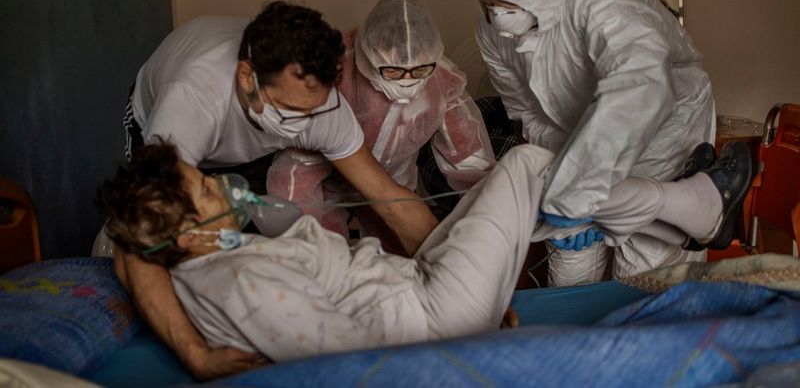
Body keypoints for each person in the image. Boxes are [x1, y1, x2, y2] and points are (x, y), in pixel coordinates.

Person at [98, 138, 751, 369]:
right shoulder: (237, 281)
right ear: (184, 236)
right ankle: (694, 207)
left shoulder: (208, 256)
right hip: (433, 317)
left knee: (521, 196)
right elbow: (341, 355)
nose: (220, 184)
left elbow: (141, 249)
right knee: (527, 167)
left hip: (415, 283)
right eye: (206, 187)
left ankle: (678, 204)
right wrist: (477, 329)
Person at [108, 1, 440, 378]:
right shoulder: (190, 103)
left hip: (245, 134)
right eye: (288, 110)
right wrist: (196, 355)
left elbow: (392, 201)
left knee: (247, 246)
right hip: (175, 125)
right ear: (247, 77)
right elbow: (135, 244)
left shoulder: (322, 108)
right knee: (172, 243)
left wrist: (451, 280)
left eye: (311, 112)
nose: (302, 126)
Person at [465, 0, 717, 286]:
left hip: (666, 126)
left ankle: (643, 336)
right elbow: (526, 112)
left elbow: (641, 83)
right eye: (487, 4)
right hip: (579, 135)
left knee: (644, 264)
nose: (497, 17)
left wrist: (584, 183)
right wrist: (568, 175)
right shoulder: (492, 33)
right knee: (569, 248)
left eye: (507, 5)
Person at [266, 0, 495, 237]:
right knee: (316, 255)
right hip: (323, 180)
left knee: (400, 259)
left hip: (393, 185)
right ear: (369, 55)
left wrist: (493, 217)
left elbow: (469, 159)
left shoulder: (443, 81)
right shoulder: (333, 65)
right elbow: (297, 165)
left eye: (419, 71)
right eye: (394, 72)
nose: (407, 82)